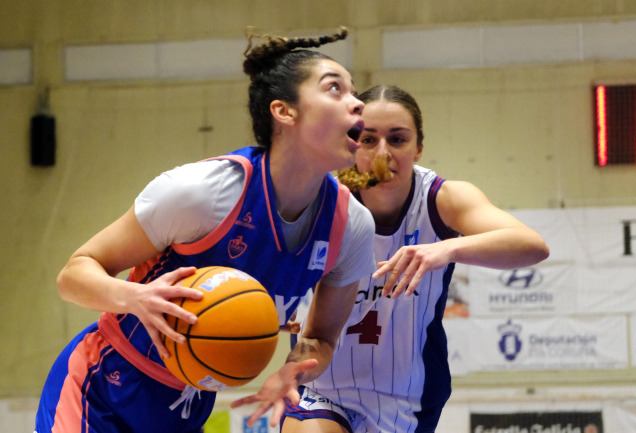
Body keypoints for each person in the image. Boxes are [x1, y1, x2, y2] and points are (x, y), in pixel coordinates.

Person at [35, 27, 376, 433]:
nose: (357, 103)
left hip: (188, 406)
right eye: (335, 89)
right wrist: (135, 296)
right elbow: (73, 274)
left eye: (355, 92)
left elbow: (321, 338)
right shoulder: (205, 193)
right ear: (284, 111)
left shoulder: (351, 226)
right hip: (101, 389)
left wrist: (295, 370)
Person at [280, 85, 550, 433]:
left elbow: (532, 245)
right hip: (323, 385)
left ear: (418, 148)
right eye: (368, 139)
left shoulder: (443, 200)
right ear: (351, 143)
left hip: (408, 397)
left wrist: (446, 249)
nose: (383, 152)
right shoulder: (320, 201)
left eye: (397, 139)